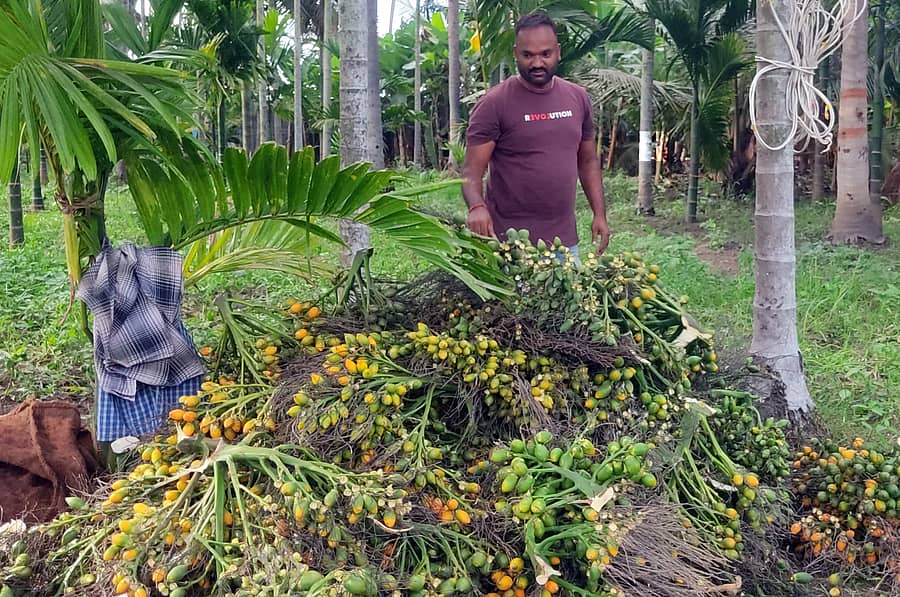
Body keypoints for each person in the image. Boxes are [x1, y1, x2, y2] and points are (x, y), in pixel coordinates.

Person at [462, 11, 609, 259]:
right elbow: (470, 173)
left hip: (564, 243)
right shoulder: (494, 104)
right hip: (509, 244)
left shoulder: (577, 98)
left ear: (558, 52)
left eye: (545, 54)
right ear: (515, 52)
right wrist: (476, 207)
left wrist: (600, 214)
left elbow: (587, 162)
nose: (537, 63)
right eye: (527, 55)